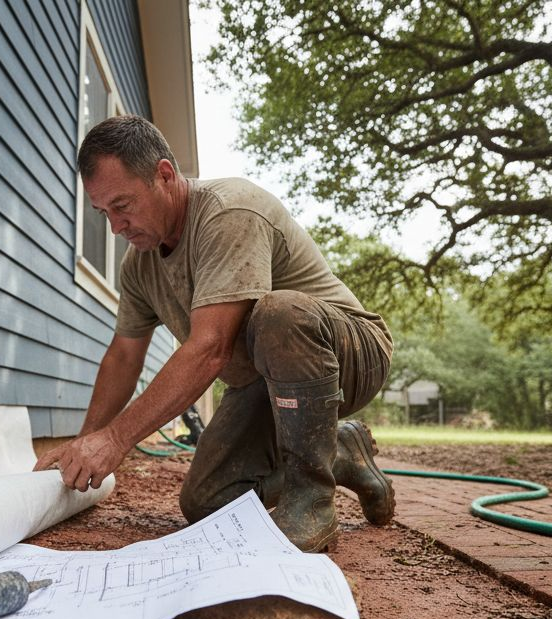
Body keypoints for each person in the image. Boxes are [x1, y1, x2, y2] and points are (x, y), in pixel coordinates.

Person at [34, 115, 395, 551]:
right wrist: (85, 440)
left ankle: (310, 502)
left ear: (164, 175)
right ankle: (339, 453)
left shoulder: (228, 212)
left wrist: (114, 440)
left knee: (279, 312)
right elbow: (124, 356)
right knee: (208, 501)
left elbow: (210, 349)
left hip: (349, 354)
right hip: (260, 380)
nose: (115, 227)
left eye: (123, 206)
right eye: (103, 212)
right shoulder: (139, 266)